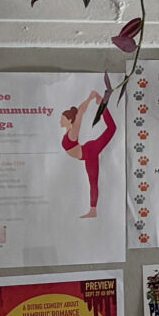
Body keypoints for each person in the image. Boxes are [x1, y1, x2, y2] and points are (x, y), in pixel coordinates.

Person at [59, 87, 118, 219]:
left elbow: (80, 114)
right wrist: (89, 99)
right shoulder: (68, 132)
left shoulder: (73, 133)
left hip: (90, 152)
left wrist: (91, 98)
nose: (60, 121)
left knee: (93, 182)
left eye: (62, 118)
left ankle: (93, 210)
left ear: (69, 121)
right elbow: (78, 111)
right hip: (87, 152)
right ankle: (93, 210)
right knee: (92, 182)